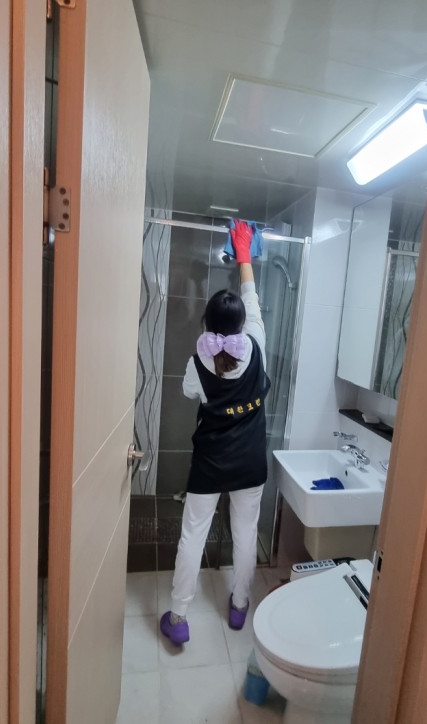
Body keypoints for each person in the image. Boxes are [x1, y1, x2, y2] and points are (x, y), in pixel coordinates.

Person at [160, 220, 270, 645]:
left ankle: (179, 616)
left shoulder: (198, 362)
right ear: (243, 326)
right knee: (245, 534)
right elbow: (251, 296)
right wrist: (243, 252)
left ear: (207, 324)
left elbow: (191, 392)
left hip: (210, 461)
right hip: (250, 462)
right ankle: (240, 605)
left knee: (193, 534)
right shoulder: (256, 342)